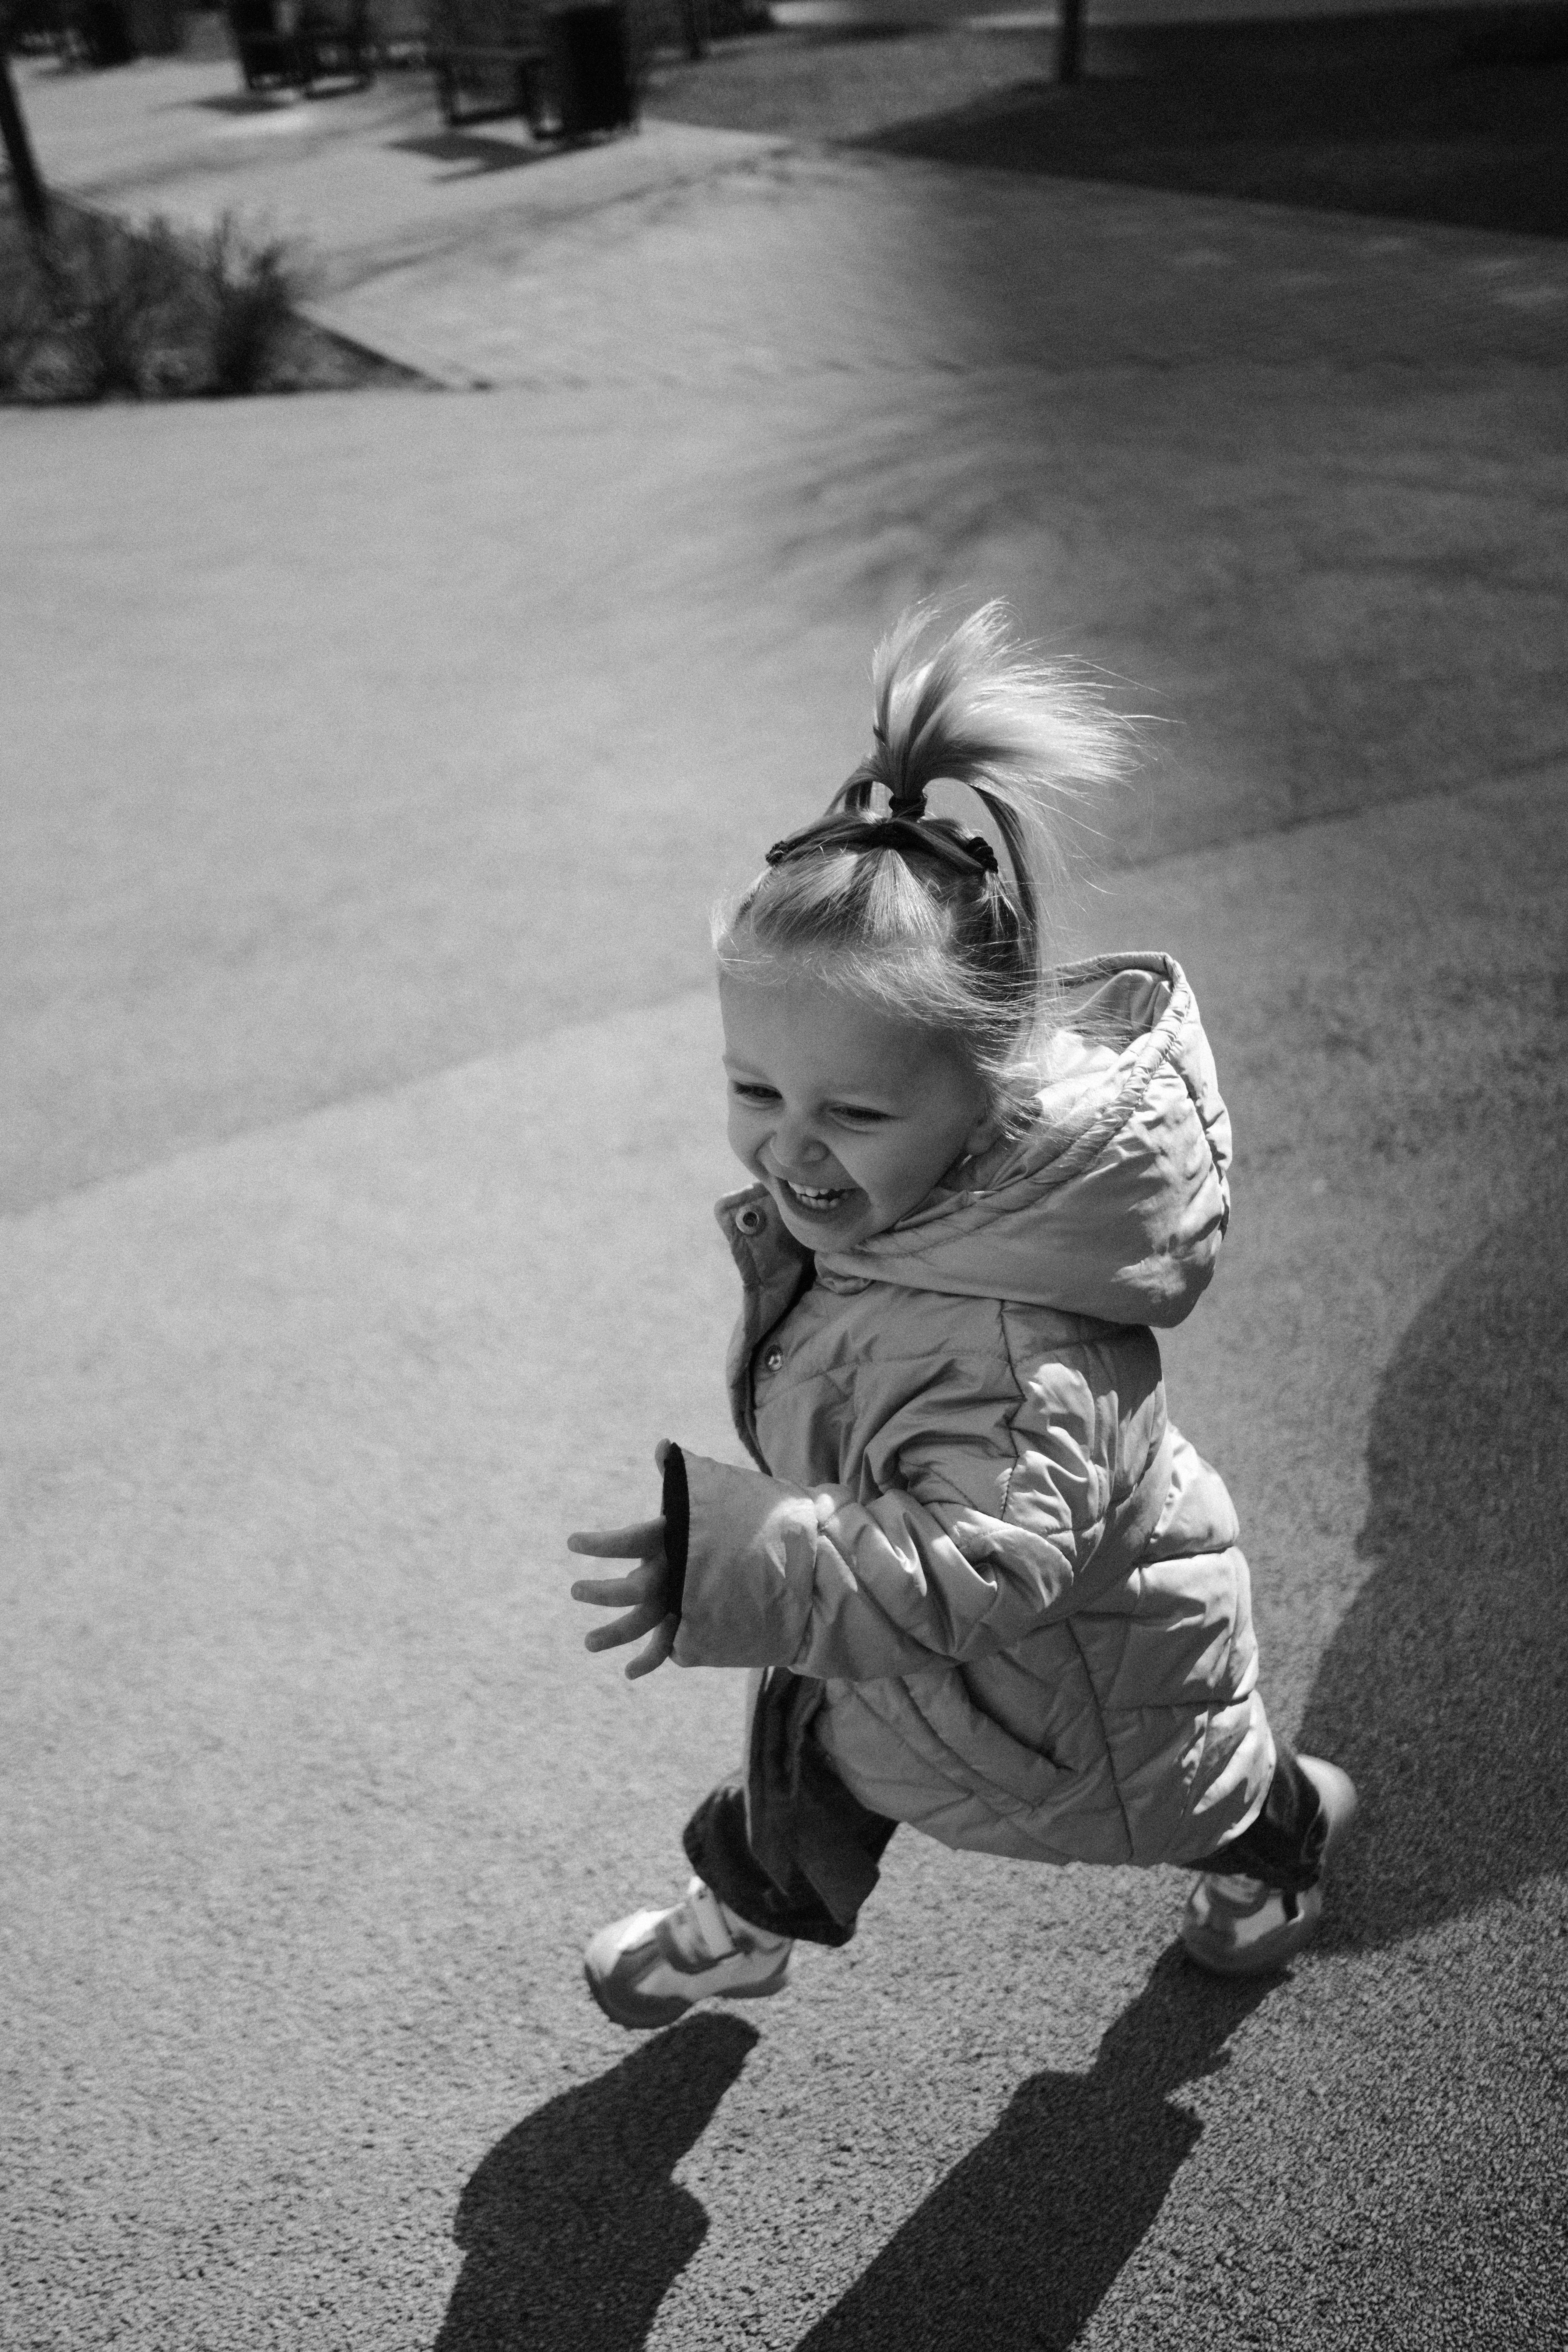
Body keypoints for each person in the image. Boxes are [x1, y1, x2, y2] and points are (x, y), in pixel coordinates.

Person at [568, 602, 1357, 2030]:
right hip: (917, 1654)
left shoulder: (1021, 1347)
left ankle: (1284, 1836)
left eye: (850, 1112)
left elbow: (984, 1565)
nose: (788, 1148)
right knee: (812, 1746)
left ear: (987, 1094)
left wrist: (746, 1559)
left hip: (1068, 1678)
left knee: (1190, 1786)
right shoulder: (914, 1210)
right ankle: (747, 1920)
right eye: (756, 1091)